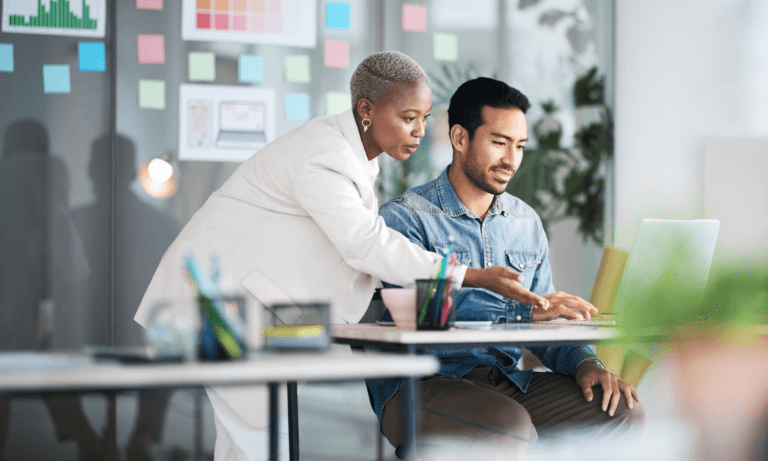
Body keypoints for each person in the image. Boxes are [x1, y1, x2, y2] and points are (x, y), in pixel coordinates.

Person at [134, 52, 551, 460]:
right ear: (366, 110)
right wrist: (472, 276)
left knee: (250, 444)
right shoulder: (325, 155)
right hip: (213, 306)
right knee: (260, 443)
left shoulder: (350, 158)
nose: (420, 131)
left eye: (424, 118)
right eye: (408, 117)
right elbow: (365, 244)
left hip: (241, 308)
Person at [367, 77, 648, 455]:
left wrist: (586, 363)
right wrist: (525, 311)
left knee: (622, 413)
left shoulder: (525, 222)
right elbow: (419, 315)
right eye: (499, 143)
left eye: (519, 146)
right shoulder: (406, 218)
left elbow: (546, 321)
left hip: (508, 382)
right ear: (460, 138)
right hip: (421, 383)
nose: (511, 160)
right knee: (508, 427)